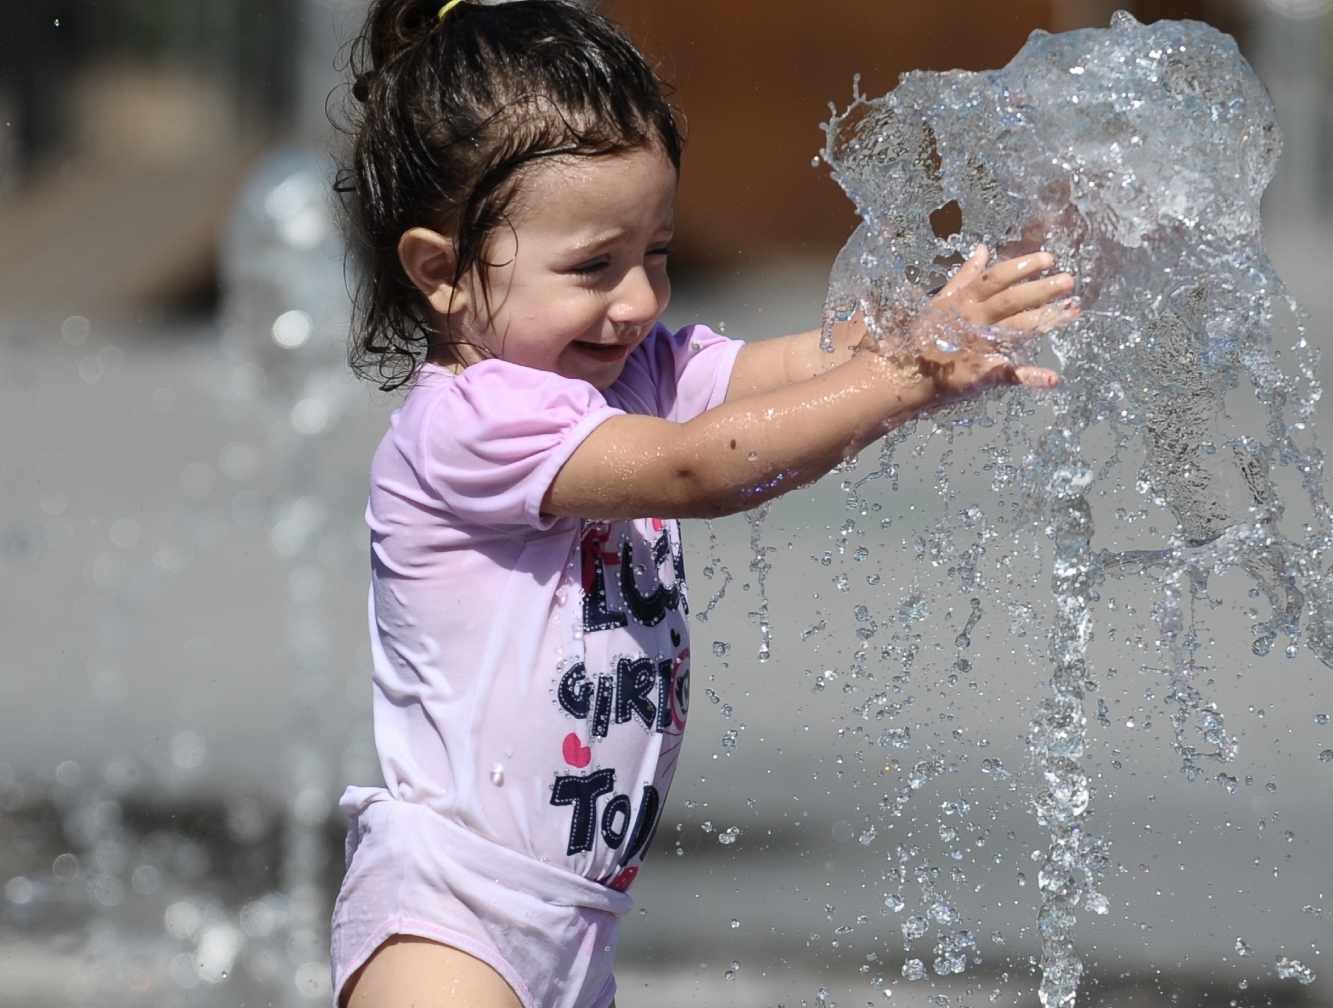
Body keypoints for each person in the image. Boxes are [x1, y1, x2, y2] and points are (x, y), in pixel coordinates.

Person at [331, 1, 1076, 1005]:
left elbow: (815, 363)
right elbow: (698, 468)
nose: (639, 301)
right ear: (442, 274)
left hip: (576, 917)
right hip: (449, 916)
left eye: (658, 252)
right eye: (593, 266)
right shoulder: (465, 424)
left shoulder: (630, 369)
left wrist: (953, 316)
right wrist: (913, 376)